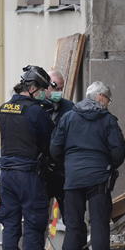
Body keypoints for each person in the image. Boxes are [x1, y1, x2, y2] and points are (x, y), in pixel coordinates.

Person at [49, 81, 125, 250]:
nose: (108, 104)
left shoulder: (68, 117)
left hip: (73, 179)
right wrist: (108, 165)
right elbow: (119, 150)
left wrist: (68, 165)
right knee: (100, 225)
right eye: (108, 99)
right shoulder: (107, 120)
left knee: (73, 225)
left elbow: (55, 148)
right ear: (100, 97)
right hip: (99, 179)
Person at [0, 65, 55, 250]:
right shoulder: (36, 111)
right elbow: (48, 142)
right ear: (31, 88)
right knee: (33, 222)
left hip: (8, 175)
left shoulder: (4, 108)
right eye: (41, 89)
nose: (43, 93)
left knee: (10, 222)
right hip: (29, 175)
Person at [37, 69, 75, 208]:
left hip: (61, 170)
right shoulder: (36, 107)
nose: (58, 92)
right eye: (55, 87)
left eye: (61, 88)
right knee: (39, 216)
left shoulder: (69, 108)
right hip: (41, 170)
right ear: (46, 86)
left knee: (70, 213)